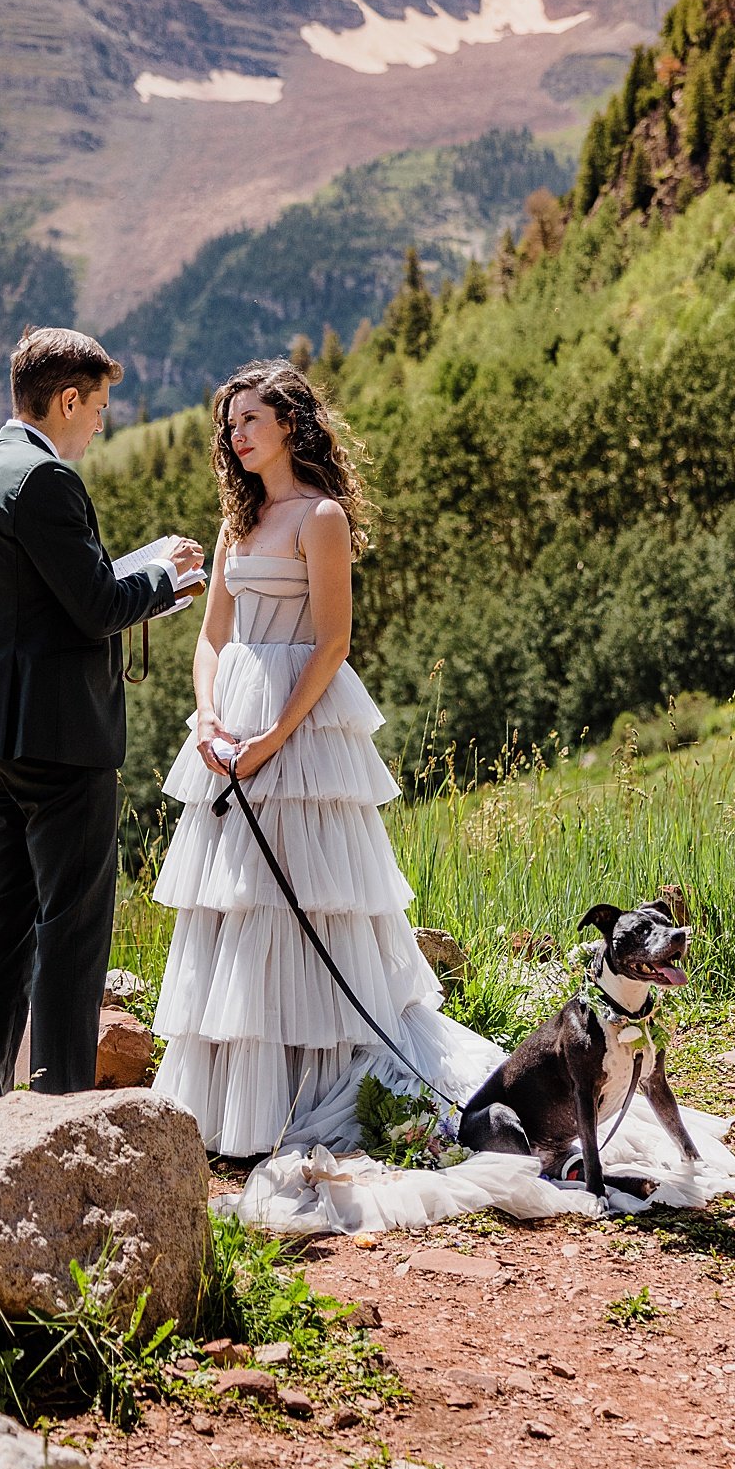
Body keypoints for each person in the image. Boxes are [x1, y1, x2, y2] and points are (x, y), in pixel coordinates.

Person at [152, 357, 481, 1159]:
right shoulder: (238, 523)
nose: (235, 434)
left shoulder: (319, 517)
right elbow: (211, 638)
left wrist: (271, 740)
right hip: (226, 721)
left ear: (291, 425)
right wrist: (206, 718)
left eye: (250, 420)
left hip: (297, 724)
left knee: (306, 901)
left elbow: (332, 642)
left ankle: (320, 1087)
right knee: (234, 907)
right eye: (229, 424)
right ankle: (233, 1113)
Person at [0, 326, 205, 1104]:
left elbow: (32, 603)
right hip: (62, 735)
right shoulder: (49, 481)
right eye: (99, 405)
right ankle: (61, 1108)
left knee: (5, 920)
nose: (102, 421)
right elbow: (93, 608)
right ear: (66, 399)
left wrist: (134, 572)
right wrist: (166, 579)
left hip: (1, 733)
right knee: (73, 928)